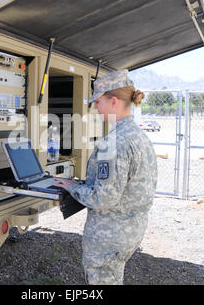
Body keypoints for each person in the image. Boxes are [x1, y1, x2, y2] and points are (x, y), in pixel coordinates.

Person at [54, 69, 157, 285]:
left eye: (98, 101)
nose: (94, 108)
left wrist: (72, 187)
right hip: (129, 230)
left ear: (114, 101)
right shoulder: (138, 136)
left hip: (108, 237)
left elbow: (104, 198)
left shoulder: (115, 142)